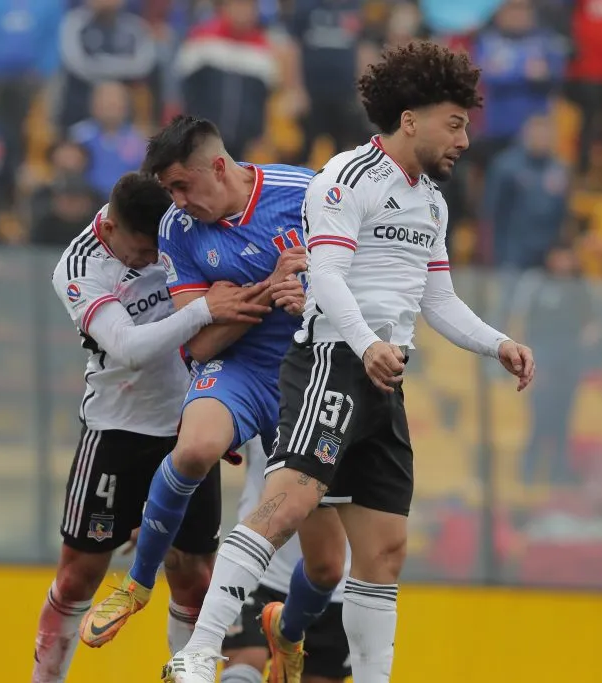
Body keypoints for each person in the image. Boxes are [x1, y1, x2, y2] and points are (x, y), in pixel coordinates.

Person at [165, 42, 536, 683]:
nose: (465, 140)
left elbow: (438, 300)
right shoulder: (346, 175)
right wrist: (367, 345)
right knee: (283, 508)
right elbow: (328, 277)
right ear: (411, 120)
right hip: (332, 361)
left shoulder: (432, 202)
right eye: (455, 123)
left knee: (384, 550)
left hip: (383, 379)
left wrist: (497, 342)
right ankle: (198, 652)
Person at [81, 117, 351, 656]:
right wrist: (269, 288)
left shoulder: (308, 192)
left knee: (326, 566)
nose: (177, 201)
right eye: (169, 190)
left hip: (309, 375)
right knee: (195, 449)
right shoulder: (177, 229)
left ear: (220, 167)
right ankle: (136, 583)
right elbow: (201, 345)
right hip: (240, 367)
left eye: (183, 185)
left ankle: (287, 631)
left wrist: (306, 295)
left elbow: (356, 284)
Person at [33, 171, 274, 682]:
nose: (151, 260)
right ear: (111, 227)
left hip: (192, 421)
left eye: (156, 249)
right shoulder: (79, 265)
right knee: (78, 576)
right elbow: (129, 349)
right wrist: (204, 308)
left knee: (194, 577)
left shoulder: (181, 229)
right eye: (142, 251)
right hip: (116, 428)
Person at [220, 437, 351, 683]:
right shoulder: (263, 409)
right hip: (259, 568)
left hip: (335, 588)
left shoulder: (366, 415)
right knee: (244, 663)